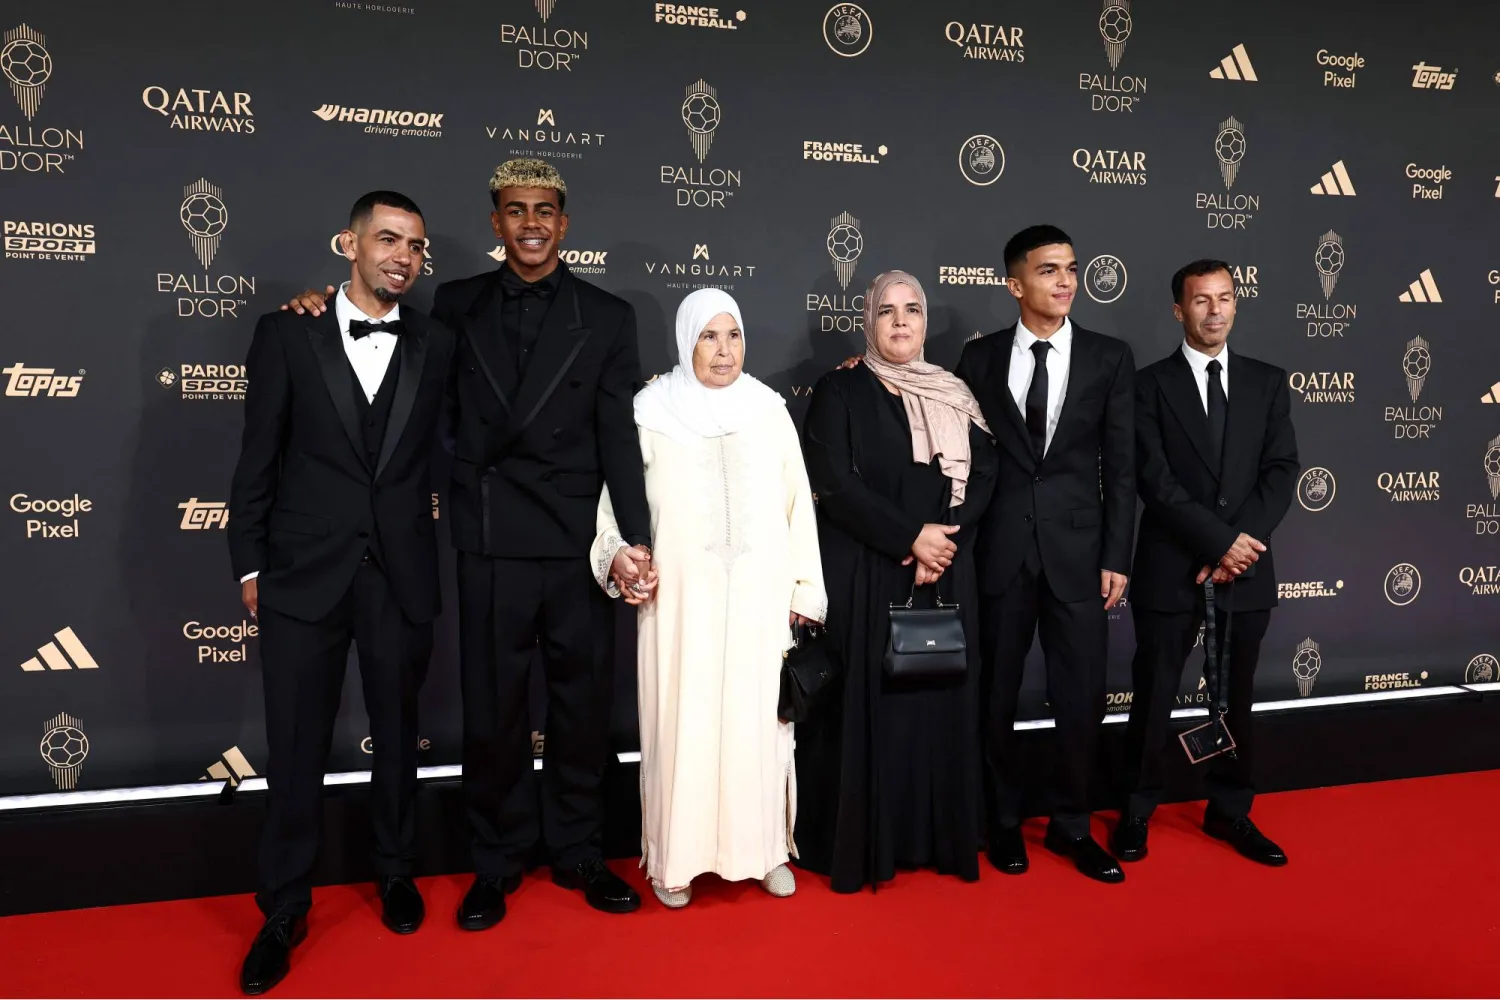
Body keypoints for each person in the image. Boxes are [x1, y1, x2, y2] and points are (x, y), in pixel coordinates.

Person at [279, 159, 651, 926]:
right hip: (487, 535)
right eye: (516, 211)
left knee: (581, 707)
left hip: (578, 539)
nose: (532, 224)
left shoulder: (608, 316)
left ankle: (580, 850)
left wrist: (634, 540)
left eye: (545, 210)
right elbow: (410, 387)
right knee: (494, 709)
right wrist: (314, 304)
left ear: (564, 221)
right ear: (496, 223)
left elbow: (619, 437)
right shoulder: (452, 305)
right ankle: (497, 859)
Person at [229, 191, 454, 995]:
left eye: (416, 246)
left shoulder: (439, 341)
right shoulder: (288, 331)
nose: (403, 255)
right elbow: (258, 458)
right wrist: (249, 567)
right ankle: (284, 908)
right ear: (350, 244)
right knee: (294, 749)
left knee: (398, 737)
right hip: (300, 574)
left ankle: (395, 871)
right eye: (388, 239)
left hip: (400, 574)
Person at [590, 288, 827, 907]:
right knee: (682, 722)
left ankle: (765, 849)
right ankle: (676, 859)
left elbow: (798, 504)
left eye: (734, 336)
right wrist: (618, 554)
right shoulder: (650, 409)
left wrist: (806, 588)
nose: (724, 351)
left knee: (759, 725)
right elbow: (612, 506)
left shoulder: (768, 408)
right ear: (685, 339)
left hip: (759, 599)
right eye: (708, 337)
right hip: (680, 606)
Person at [795, 270, 996, 893]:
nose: (902, 322)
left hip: (946, 574)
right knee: (871, 706)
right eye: (888, 311)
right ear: (868, 320)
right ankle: (868, 846)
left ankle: (937, 839)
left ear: (926, 320)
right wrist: (912, 538)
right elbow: (833, 482)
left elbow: (986, 472)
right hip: (868, 574)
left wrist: (944, 537)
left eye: (912, 310)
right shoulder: (841, 389)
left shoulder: (954, 392)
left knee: (938, 708)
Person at [954, 225, 1135, 885]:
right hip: (1000, 554)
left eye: (1071, 269)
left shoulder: (1109, 357)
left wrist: (1118, 552)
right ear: (1015, 284)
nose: (1064, 281)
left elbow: (1122, 465)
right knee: (994, 697)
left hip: (1080, 557)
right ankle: (1002, 824)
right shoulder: (978, 360)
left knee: (1081, 698)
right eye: (1049, 270)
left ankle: (1071, 825)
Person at [1113, 259, 1298, 866]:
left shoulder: (1268, 383)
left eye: (1224, 298)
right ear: (1178, 310)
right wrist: (1217, 544)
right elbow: (1155, 481)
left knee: (1235, 697)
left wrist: (1237, 548)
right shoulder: (1147, 386)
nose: (1214, 310)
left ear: (1236, 304)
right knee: (1154, 692)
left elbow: (1280, 473)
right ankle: (1137, 811)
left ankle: (1231, 811)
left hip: (1247, 571)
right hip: (1172, 567)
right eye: (1200, 301)